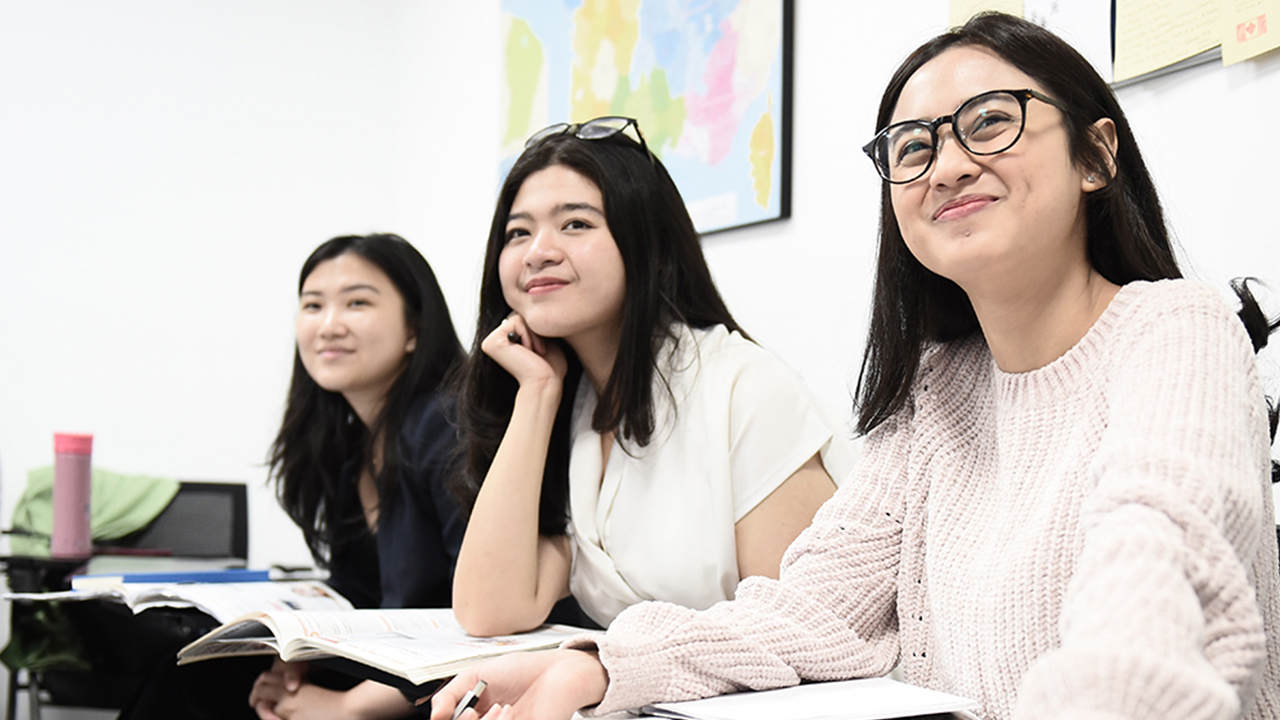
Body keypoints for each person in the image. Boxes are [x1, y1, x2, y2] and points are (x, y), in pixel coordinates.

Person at [430, 13, 1280, 720]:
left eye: (990, 121)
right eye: (912, 147)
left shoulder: (1177, 329)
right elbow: (813, 611)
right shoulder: (938, 389)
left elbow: (1151, 588)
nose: (946, 164)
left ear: (1096, 157)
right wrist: (600, 668)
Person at [449, 116, 857, 636]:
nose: (538, 252)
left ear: (646, 243)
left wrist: (609, 673)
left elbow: (806, 635)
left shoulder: (742, 389)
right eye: (518, 232)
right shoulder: (570, 413)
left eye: (575, 224)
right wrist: (537, 392)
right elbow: (491, 611)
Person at [120, 234, 467, 720]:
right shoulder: (350, 452)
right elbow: (359, 602)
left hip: (455, 681)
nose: (328, 325)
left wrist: (347, 707)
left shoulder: (447, 424)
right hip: (391, 668)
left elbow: (484, 626)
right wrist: (296, 662)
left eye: (357, 303)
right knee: (188, 673)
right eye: (312, 305)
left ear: (416, 329)